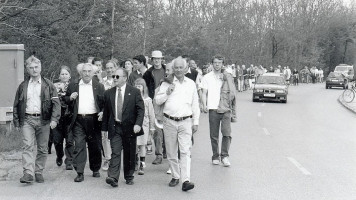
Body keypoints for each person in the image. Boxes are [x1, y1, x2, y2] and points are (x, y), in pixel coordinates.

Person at [13, 55, 61, 183]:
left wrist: (54, 119)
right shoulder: (23, 86)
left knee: (42, 148)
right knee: (27, 145)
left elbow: (56, 104)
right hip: (27, 119)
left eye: (36, 67)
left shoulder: (48, 85)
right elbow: (17, 104)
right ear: (27, 70)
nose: (34, 70)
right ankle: (28, 173)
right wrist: (17, 121)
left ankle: (38, 171)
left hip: (43, 120)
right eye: (31, 68)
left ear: (40, 67)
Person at [155, 57, 200, 191]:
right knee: (171, 151)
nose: (179, 70)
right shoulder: (166, 83)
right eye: (176, 68)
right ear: (173, 69)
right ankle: (175, 176)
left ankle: (186, 180)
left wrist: (196, 121)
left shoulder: (191, 83)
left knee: (185, 151)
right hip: (169, 121)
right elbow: (157, 101)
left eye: (181, 67)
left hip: (186, 121)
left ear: (186, 69)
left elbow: (195, 104)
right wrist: (167, 93)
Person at [102, 68, 145, 187]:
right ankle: (113, 177)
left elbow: (141, 109)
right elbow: (106, 112)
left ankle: (129, 176)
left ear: (125, 78)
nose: (114, 78)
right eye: (113, 76)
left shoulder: (134, 92)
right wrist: (104, 129)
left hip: (130, 127)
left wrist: (138, 124)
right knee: (115, 151)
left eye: (117, 76)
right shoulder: (108, 93)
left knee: (129, 152)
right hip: (115, 127)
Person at [65, 63, 105, 182]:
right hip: (78, 120)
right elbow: (65, 99)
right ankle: (80, 172)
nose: (87, 74)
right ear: (80, 73)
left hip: (94, 119)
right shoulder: (73, 85)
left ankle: (95, 168)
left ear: (93, 73)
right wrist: (70, 98)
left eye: (89, 71)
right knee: (79, 145)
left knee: (95, 146)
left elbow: (104, 104)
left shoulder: (99, 86)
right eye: (84, 71)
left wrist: (102, 112)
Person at [201, 55, 232, 167]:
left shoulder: (227, 77)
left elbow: (232, 92)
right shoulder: (207, 77)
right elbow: (204, 92)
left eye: (219, 62)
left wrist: (231, 107)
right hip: (213, 108)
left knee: (226, 133)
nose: (217, 64)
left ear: (223, 64)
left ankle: (225, 156)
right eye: (215, 62)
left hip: (225, 109)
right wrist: (204, 104)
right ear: (212, 64)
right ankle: (215, 156)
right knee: (214, 135)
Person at [143, 50, 166, 165]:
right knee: (157, 130)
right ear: (152, 60)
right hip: (154, 102)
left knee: (167, 127)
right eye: (155, 59)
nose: (157, 61)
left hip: (167, 101)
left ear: (162, 59)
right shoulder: (148, 73)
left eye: (159, 58)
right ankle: (158, 155)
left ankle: (166, 150)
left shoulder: (167, 70)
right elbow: (145, 88)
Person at [52, 66, 74, 170]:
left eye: (66, 74)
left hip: (69, 115)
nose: (64, 76)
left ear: (70, 75)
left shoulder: (74, 86)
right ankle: (59, 155)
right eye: (62, 74)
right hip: (57, 115)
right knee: (57, 140)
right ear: (59, 75)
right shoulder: (54, 86)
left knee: (69, 140)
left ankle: (69, 160)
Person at [134, 78, 155, 175]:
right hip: (134, 124)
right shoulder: (132, 98)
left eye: (140, 86)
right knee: (134, 144)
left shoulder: (147, 100)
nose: (138, 88)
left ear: (143, 88)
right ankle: (134, 162)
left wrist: (152, 127)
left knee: (142, 145)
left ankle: (142, 163)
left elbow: (151, 114)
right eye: (136, 86)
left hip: (144, 124)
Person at [101, 60, 118, 171]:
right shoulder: (102, 82)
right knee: (105, 136)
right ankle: (107, 159)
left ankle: (115, 159)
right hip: (105, 112)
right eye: (107, 68)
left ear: (115, 68)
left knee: (116, 137)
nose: (109, 70)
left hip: (116, 112)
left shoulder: (118, 81)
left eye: (111, 67)